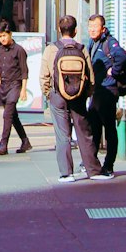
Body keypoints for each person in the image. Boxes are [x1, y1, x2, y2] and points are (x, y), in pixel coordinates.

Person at [40, 16, 103, 182]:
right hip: (79, 97)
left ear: (59, 30)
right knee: (84, 133)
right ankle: (93, 170)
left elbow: (44, 76)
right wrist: (85, 94)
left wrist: (49, 94)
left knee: (63, 135)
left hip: (57, 96)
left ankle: (66, 173)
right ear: (75, 31)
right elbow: (91, 76)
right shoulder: (82, 49)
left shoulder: (51, 49)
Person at [87, 13, 126, 177]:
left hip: (108, 91)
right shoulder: (93, 42)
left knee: (109, 129)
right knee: (93, 128)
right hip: (97, 92)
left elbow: (121, 57)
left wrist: (114, 72)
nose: (92, 30)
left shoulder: (109, 42)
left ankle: (109, 165)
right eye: (90, 27)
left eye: (95, 27)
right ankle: (92, 162)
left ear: (102, 28)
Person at [0, 23, 32, 154]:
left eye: (4, 35)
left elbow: (24, 71)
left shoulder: (19, 50)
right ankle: (25, 141)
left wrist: (23, 90)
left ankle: (3, 144)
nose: (2, 39)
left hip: (15, 85)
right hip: (3, 86)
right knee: (13, 116)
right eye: (0, 36)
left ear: (10, 34)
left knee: (7, 115)